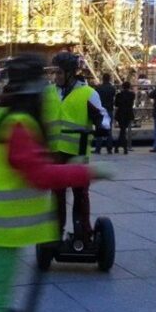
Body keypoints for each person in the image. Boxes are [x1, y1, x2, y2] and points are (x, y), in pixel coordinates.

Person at [0, 54, 111, 312]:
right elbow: (40, 175)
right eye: (45, 78)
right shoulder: (20, 124)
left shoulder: (3, 115)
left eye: (55, 74)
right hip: (2, 224)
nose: (50, 82)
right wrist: (91, 172)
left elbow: (101, 117)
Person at [47, 51, 110, 238]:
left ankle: (83, 230)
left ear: (70, 73)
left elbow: (102, 115)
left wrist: (102, 127)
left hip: (78, 151)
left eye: (59, 73)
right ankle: (55, 231)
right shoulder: (50, 92)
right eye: (54, 73)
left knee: (80, 192)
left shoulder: (88, 93)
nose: (55, 76)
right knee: (57, 193)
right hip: (56, 152)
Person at [94, 73, 115, 154]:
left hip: (101, 110)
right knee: (109, 129)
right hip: (109, 110)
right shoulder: (112, 88)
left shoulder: (98, 88)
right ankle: (109, 148)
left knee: (99, 128)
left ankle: (98, 148)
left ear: (103, 78)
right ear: (109, 79)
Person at [113, 81, 135, 154]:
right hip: (128, 113)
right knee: (123, 130)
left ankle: (119, 147)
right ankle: (123, 147)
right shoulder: (132, 94)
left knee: (122, 130)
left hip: (120, 113)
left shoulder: (119, 94)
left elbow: (116, 104)